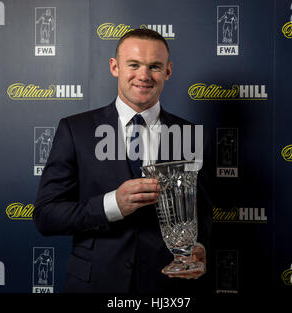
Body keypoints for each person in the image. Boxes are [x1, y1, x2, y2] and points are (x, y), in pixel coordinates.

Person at [34, 28, 212, 293]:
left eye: (154, 66)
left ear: (168, 71)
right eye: (134, 65)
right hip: (96, 284)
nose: (144, 75)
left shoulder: (190, 135)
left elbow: (203, 214)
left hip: (167, 287)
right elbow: (46, 216)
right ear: (115, 67)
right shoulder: (76, 130)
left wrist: (198, 248)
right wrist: (112, 205)